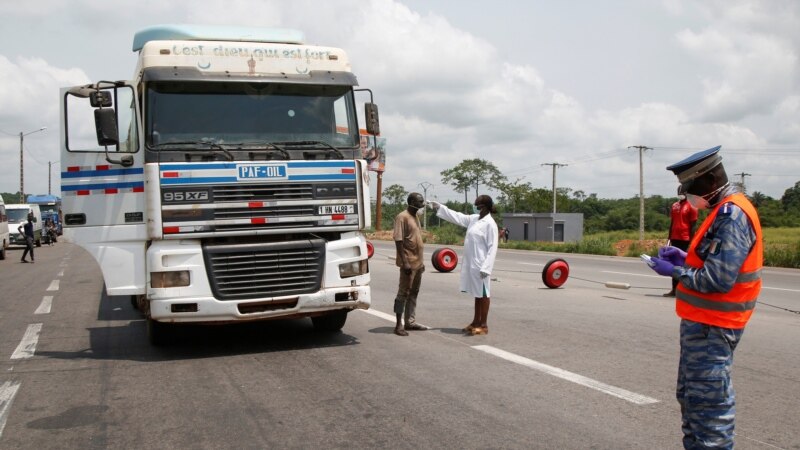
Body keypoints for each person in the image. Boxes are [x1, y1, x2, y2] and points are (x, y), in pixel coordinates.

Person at [648, 145, 762, 449]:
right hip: (704, 326)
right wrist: (685, 259)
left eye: (691, 187)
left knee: (710, 416)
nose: (688, 195)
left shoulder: (732, 214)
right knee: (693, 403)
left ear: (711, 179)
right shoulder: (721, 211)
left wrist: (673, 272)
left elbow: (717, 280)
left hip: (714, 328)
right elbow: (714, 263)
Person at [430, 195, 498, 335]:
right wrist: (440, 207)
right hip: (472, 264)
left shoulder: (490, 224)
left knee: (484, 294)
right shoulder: (474, 219)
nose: (475, 207)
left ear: (483, 207)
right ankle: (475, 322)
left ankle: (484, 325)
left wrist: (487, 267)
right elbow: (457, 217)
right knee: (477, 294)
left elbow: (493, 247)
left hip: (482, 266)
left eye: (476, 205)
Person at [392, 192, 428, 336]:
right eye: (420, 201)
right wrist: (405, 262)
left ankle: (410, 322)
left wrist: (421, 262)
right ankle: (398, 325)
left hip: (417, 263)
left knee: (414, 293)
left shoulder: (415, 217)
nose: (422, 204)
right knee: (403, 293)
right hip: (408, 263)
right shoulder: (403, 217)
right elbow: (399, 240)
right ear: (412, 201)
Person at [664, 187, 698, 296]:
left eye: (682, 192)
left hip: (685, 239)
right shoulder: (675, 206)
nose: (680, 194)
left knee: (684, 265)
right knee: (674, 264)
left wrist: (692, 242)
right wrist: (669, 238)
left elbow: (693, 226)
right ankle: (674, 289)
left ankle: (683, 290)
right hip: (675, 239)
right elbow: (672, 223)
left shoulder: (692, 206)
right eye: (678, 192)